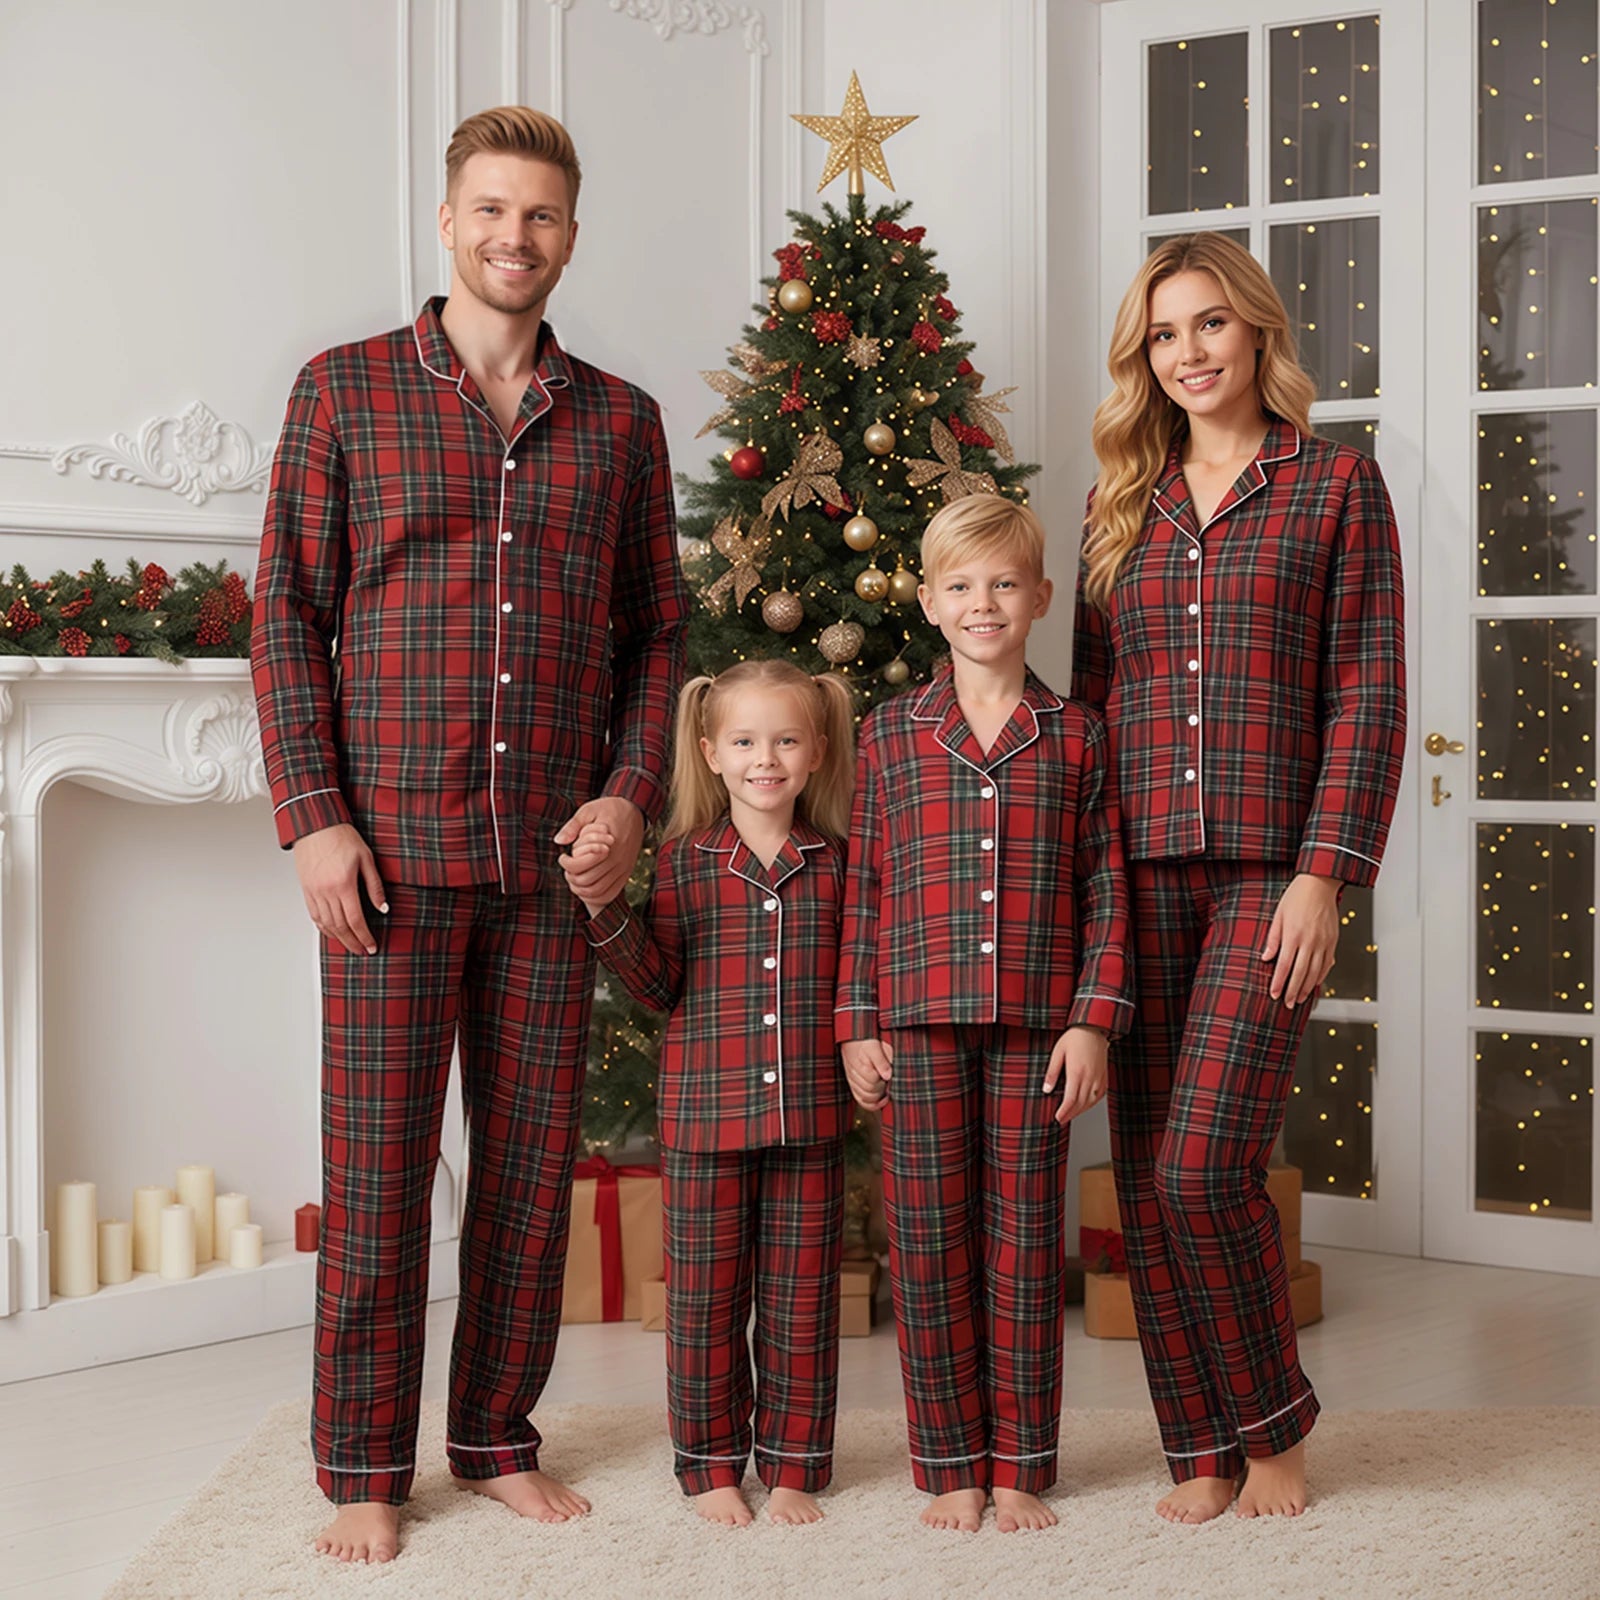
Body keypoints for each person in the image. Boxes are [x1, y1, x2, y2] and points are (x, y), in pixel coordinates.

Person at [250, 105, 690, 1564]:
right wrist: (314, 824)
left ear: (572, 234)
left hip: (551, 873)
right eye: (493, 211)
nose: (517, 238)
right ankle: (364, 1465)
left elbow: (655, 637)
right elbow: (287, 628)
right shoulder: (345, 394)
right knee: (376, 1181)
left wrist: (632, 793)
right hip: (384, 867)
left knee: (525, 1180)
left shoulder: (621, 422)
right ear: (448, 223)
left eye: (544, 217)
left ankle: (497, 1434)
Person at [1073, 231, 1405, 1524]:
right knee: (1150, 1173)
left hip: (1268, 877)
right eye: (1164, 334)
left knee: (1205, 1169)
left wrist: (1325, 877)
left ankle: (1273, 1427)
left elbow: (1368, 694)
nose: (1189, 353)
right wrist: (1089, 897)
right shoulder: (1120, 505)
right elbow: (1095, 715)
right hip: (1139, 873)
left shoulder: (1335, 487)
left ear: (1258, 333)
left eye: (1210, 325)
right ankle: (1195, 1446)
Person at [836, 494, 1133, 1533]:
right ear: (926, 601)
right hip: (914, 1026)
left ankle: (1019, 1464)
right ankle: (949, 1462)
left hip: (1033, 1027)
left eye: (1004, 582)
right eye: (960, 585)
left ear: (1041, 597)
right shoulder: (885, 737)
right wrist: (854, 1022)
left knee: (1018, 1245)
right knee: (927, 1244)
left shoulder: (1079, 736)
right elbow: (863, 887)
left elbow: (1105, 890)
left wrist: (1091, 1020)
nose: (983, 602)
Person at [565, 661, 855, 1527]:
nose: (765, 758)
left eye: (785, 741)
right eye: (745, 742)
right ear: (712, 753)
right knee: (703, 1304)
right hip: (703, 1121)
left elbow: (859, 982)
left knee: (803, 1300)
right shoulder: (687, 865)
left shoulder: (839, 866)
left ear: (813, 753)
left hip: (809, 1117)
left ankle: (797, 1463)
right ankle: (711, 1467)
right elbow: (656, 986)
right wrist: (607, 908)